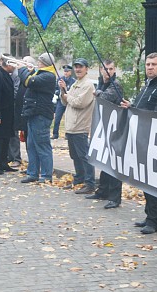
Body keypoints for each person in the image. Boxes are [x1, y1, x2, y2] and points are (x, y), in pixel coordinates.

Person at [121, 52, 157, 234]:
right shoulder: (147, 86)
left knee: (155, 181)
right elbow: (144, 109)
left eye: (154, 64)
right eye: (147, 64)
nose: (150, 67)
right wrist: (131, 108)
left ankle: (154, 220)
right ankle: (152, 216)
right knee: (146, 180)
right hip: (143, 140)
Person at [85, 59, 124, 209]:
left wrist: (98, 92)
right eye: (105, 68)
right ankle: (102, 191)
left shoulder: (116, 84)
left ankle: (115, 197)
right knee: (104, 160)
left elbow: (105, 97)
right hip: (103, 126)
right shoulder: (102, 83)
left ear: (114, 70)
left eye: (111, 68)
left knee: (114, 163)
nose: (108, 71)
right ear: (101, 69)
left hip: (115, 128)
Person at [19, 53, 57, 183]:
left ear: (44, 63)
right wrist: (29, 70)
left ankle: (46, 175)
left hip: (41, 114)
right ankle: (33, 173)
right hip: (33, 112)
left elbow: (28, 82)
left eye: (40, 61)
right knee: (31, 145)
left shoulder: (48, 76)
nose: (38, 63)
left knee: (42, 145)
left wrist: (22, 68)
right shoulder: (40, 73)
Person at [60, 58, 96, 194]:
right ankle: (79, 179)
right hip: (71, 126)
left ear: (86, 69)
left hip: (80, 126)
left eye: (80, 67)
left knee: (84, 156)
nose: (78, 69)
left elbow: (79, 103)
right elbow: (66, 102)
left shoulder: (88, 85)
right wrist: (63, 90)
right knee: (75, 155)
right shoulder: (76, 83)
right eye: (76, 67)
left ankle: (90, 183)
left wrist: (67, 96)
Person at [51, 65, 76, 139]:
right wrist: (58, 92)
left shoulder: (73, 81)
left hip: (69, 101)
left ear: (70, 72)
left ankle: (68, 134)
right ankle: (55, 134)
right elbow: (55, 89)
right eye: (65, 71)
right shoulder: (60, 79)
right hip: (60, 101)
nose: (65, 73)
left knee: (69, 119)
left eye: (67, 71)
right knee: (57, 118)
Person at [7, 67, 22, 168]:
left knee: (13, 133)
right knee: (7, 132)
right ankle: (9, 156)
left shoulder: (16, 75)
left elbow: (16, 91)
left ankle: (16, 158)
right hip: (7, 106)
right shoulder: (7, 74)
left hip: (14, 106)